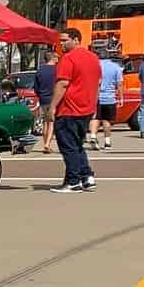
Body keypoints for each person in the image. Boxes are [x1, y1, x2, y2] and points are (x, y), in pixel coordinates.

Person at [48, 25, 100, 193]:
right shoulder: (93, 57)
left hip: (69, 109)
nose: (61, 44)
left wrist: (52, 107)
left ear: (76, 40)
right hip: (86, 109)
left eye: (65, 40)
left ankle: (73, 181)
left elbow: (63, 83)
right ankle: (87, 177)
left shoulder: (68, 58)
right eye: (60, 41)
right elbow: (98, 82)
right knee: (77, 145)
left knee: (68, 146)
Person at [95, 48, 122, 149]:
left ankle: (93, 136)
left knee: (96, 119)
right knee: (106, 120)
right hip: (110, 98)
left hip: (96, 97)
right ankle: (107, 142)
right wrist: (120, 97)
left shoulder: (95, 66)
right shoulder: (116, 67)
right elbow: (119, 83)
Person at [32, 52, 57, 138]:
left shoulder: (40, 70)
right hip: (54, 99)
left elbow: (36, 87)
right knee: (51, 122)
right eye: (56, 57)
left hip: (43, 99)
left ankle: (45, 141)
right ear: (52, 58)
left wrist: (40, 95)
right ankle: (47, 143)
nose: (58, 59)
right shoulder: (57, 70)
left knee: (45, 121)